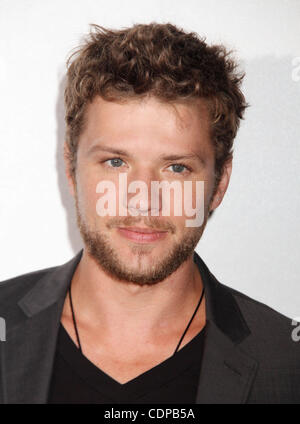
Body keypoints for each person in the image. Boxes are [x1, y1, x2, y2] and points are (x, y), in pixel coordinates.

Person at [0, 22, 299, 404]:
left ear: (219, 183)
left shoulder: (288, 363)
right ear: (71, 169)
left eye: (176, 168)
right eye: (115, 162)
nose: (143, 200)